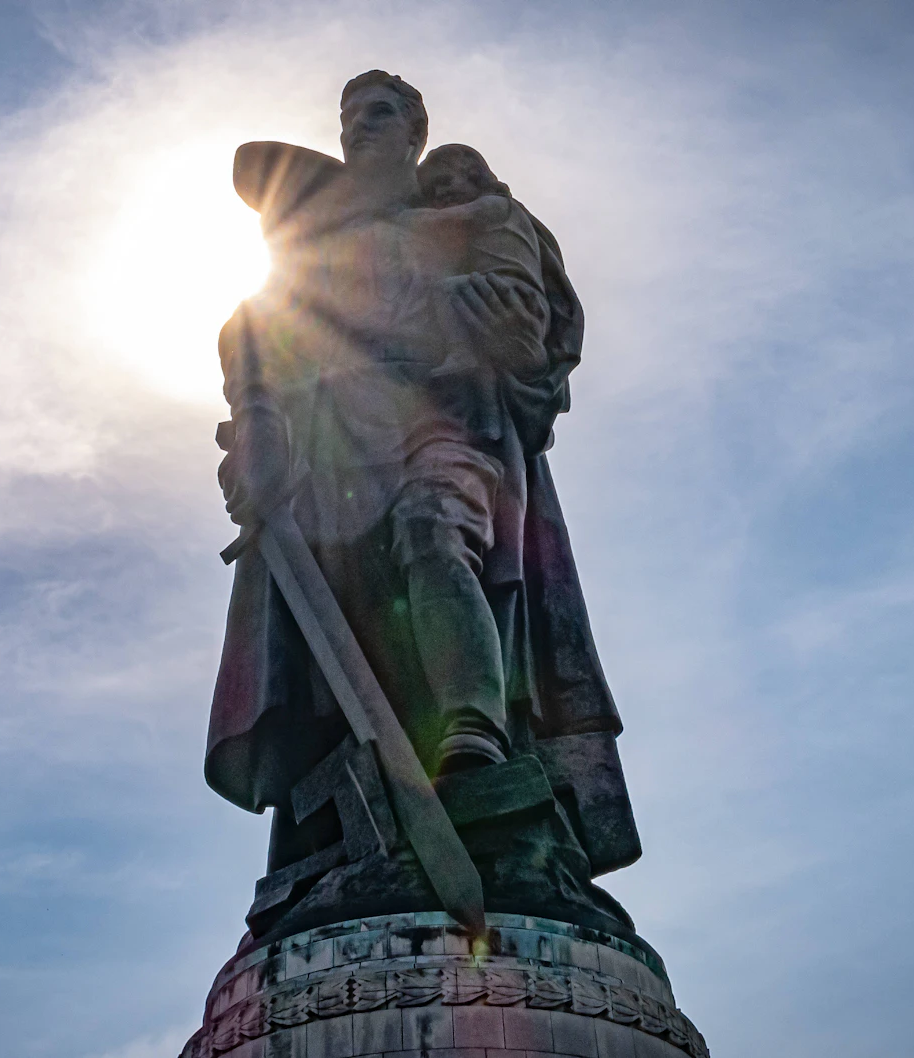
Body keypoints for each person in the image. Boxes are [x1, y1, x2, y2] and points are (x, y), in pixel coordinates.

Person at [208, 72, 623, 877]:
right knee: (355, 631)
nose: (361, 127)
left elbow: (517, 321)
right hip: (334, 461)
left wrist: (399, 310)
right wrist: (258, 420)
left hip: (445, 420)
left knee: (437, 532)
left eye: (381, 112)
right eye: (349, 118)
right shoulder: (316, 251)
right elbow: (250, 329)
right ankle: (361, 806)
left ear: (414, 131)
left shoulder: (481, 220)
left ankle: (474, 737)